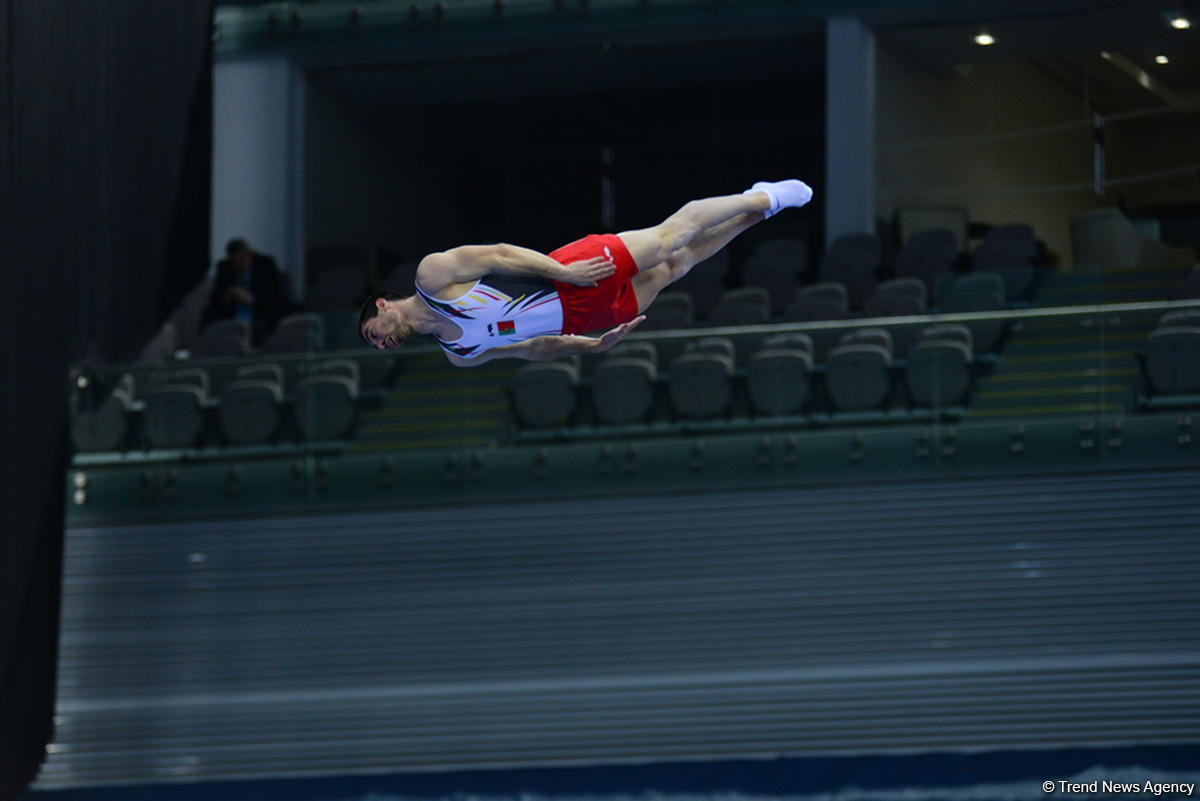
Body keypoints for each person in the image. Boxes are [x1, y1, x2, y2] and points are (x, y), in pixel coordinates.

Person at [359, 179, 813, 366]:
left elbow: (499, 254)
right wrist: (591, 345)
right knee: (680, 265)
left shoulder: (432, 276)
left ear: (382, 305)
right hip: (586, 318)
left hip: (569, 272)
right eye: (377, 345)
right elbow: (534, 348)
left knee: (668, 239)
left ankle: (761, 199)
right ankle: (756, 213)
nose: (381, 341)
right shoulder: (459, 353)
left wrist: (564, 271)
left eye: (372, 332)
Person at [202, 238, 295, 345]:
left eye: (242, 260)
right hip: (233, 320)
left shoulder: (265, 266)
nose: (239, 265)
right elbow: (215, 300)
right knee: (211, 320)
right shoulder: (224, 269)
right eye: (235, 261)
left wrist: (249, 298)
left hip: (259, 317)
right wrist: (227, 297)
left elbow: (273, 298)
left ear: (249, 255)